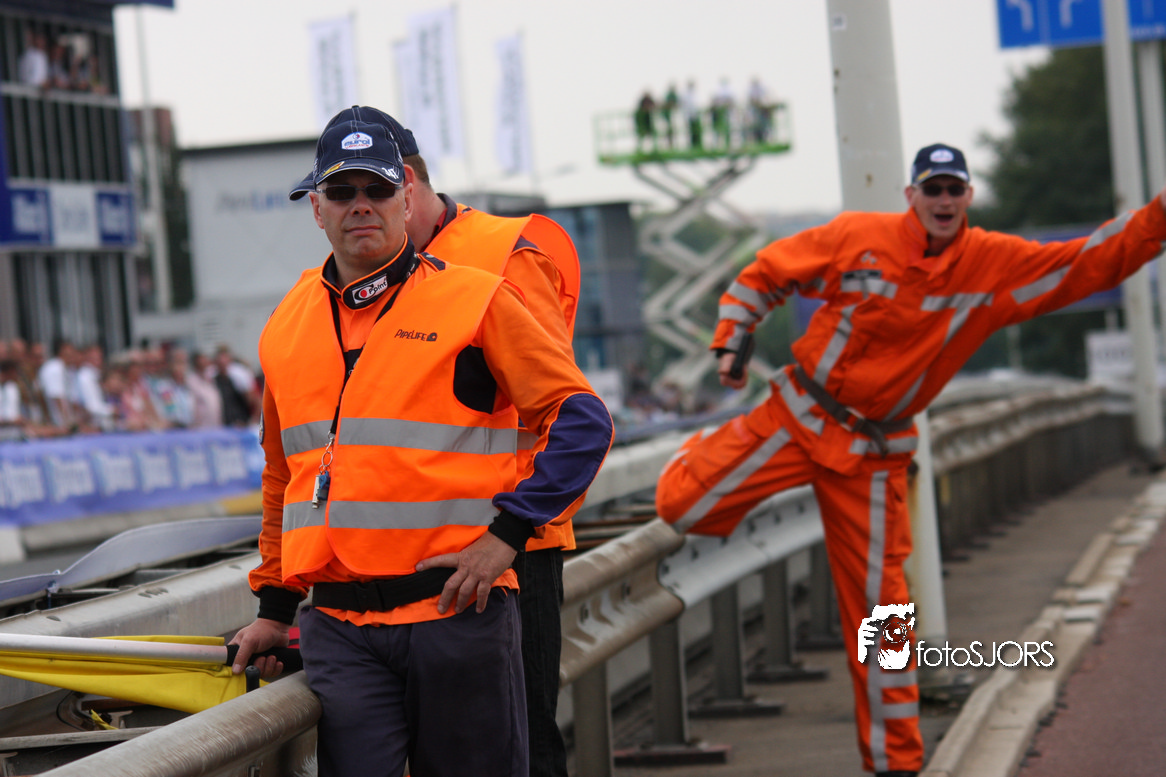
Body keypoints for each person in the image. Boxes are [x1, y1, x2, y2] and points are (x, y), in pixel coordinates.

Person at [654, 142, 1166, 777]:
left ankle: (896, 763)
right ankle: (699, 450)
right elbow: (766, 272)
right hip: (798, 417)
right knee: (680, 505)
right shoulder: (857, 237)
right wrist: (732, 338)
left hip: (873, 455)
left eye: (954, 189)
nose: (943, 200)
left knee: (884, 618)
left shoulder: (990, 264)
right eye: (933, 189)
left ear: (968, 197)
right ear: (911, 196)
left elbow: (1091, 261)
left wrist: (1159, 217)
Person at [229, 106, 614, 777]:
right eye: (341, 191)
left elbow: (583, 420)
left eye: (377, 189)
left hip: (456, 617)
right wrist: (273, 609)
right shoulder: (287, 321)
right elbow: (282, 476)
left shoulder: (477, 300)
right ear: (316, 208)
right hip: (341, 630)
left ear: (407, 198)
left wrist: (507, 535)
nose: (360, 205)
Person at [682, 79, 703, 150]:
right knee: (690, 131)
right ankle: (692, 145)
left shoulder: (695, 93)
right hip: (689, 115)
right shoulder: (685, 94)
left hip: (695, 115)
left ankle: (697, 144)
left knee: (697, 130)